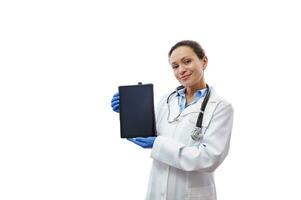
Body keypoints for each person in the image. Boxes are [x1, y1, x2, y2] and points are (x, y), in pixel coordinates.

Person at [111, 40, 234, 200]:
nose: (181, 70)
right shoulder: (167, 100)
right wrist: (130, 112)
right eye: (175, 66)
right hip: (157, 189)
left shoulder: (221, 107)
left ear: (204, 61)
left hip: (192, 194)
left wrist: (158, 144)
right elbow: (152, 133)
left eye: (187, 61)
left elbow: (209, 158)